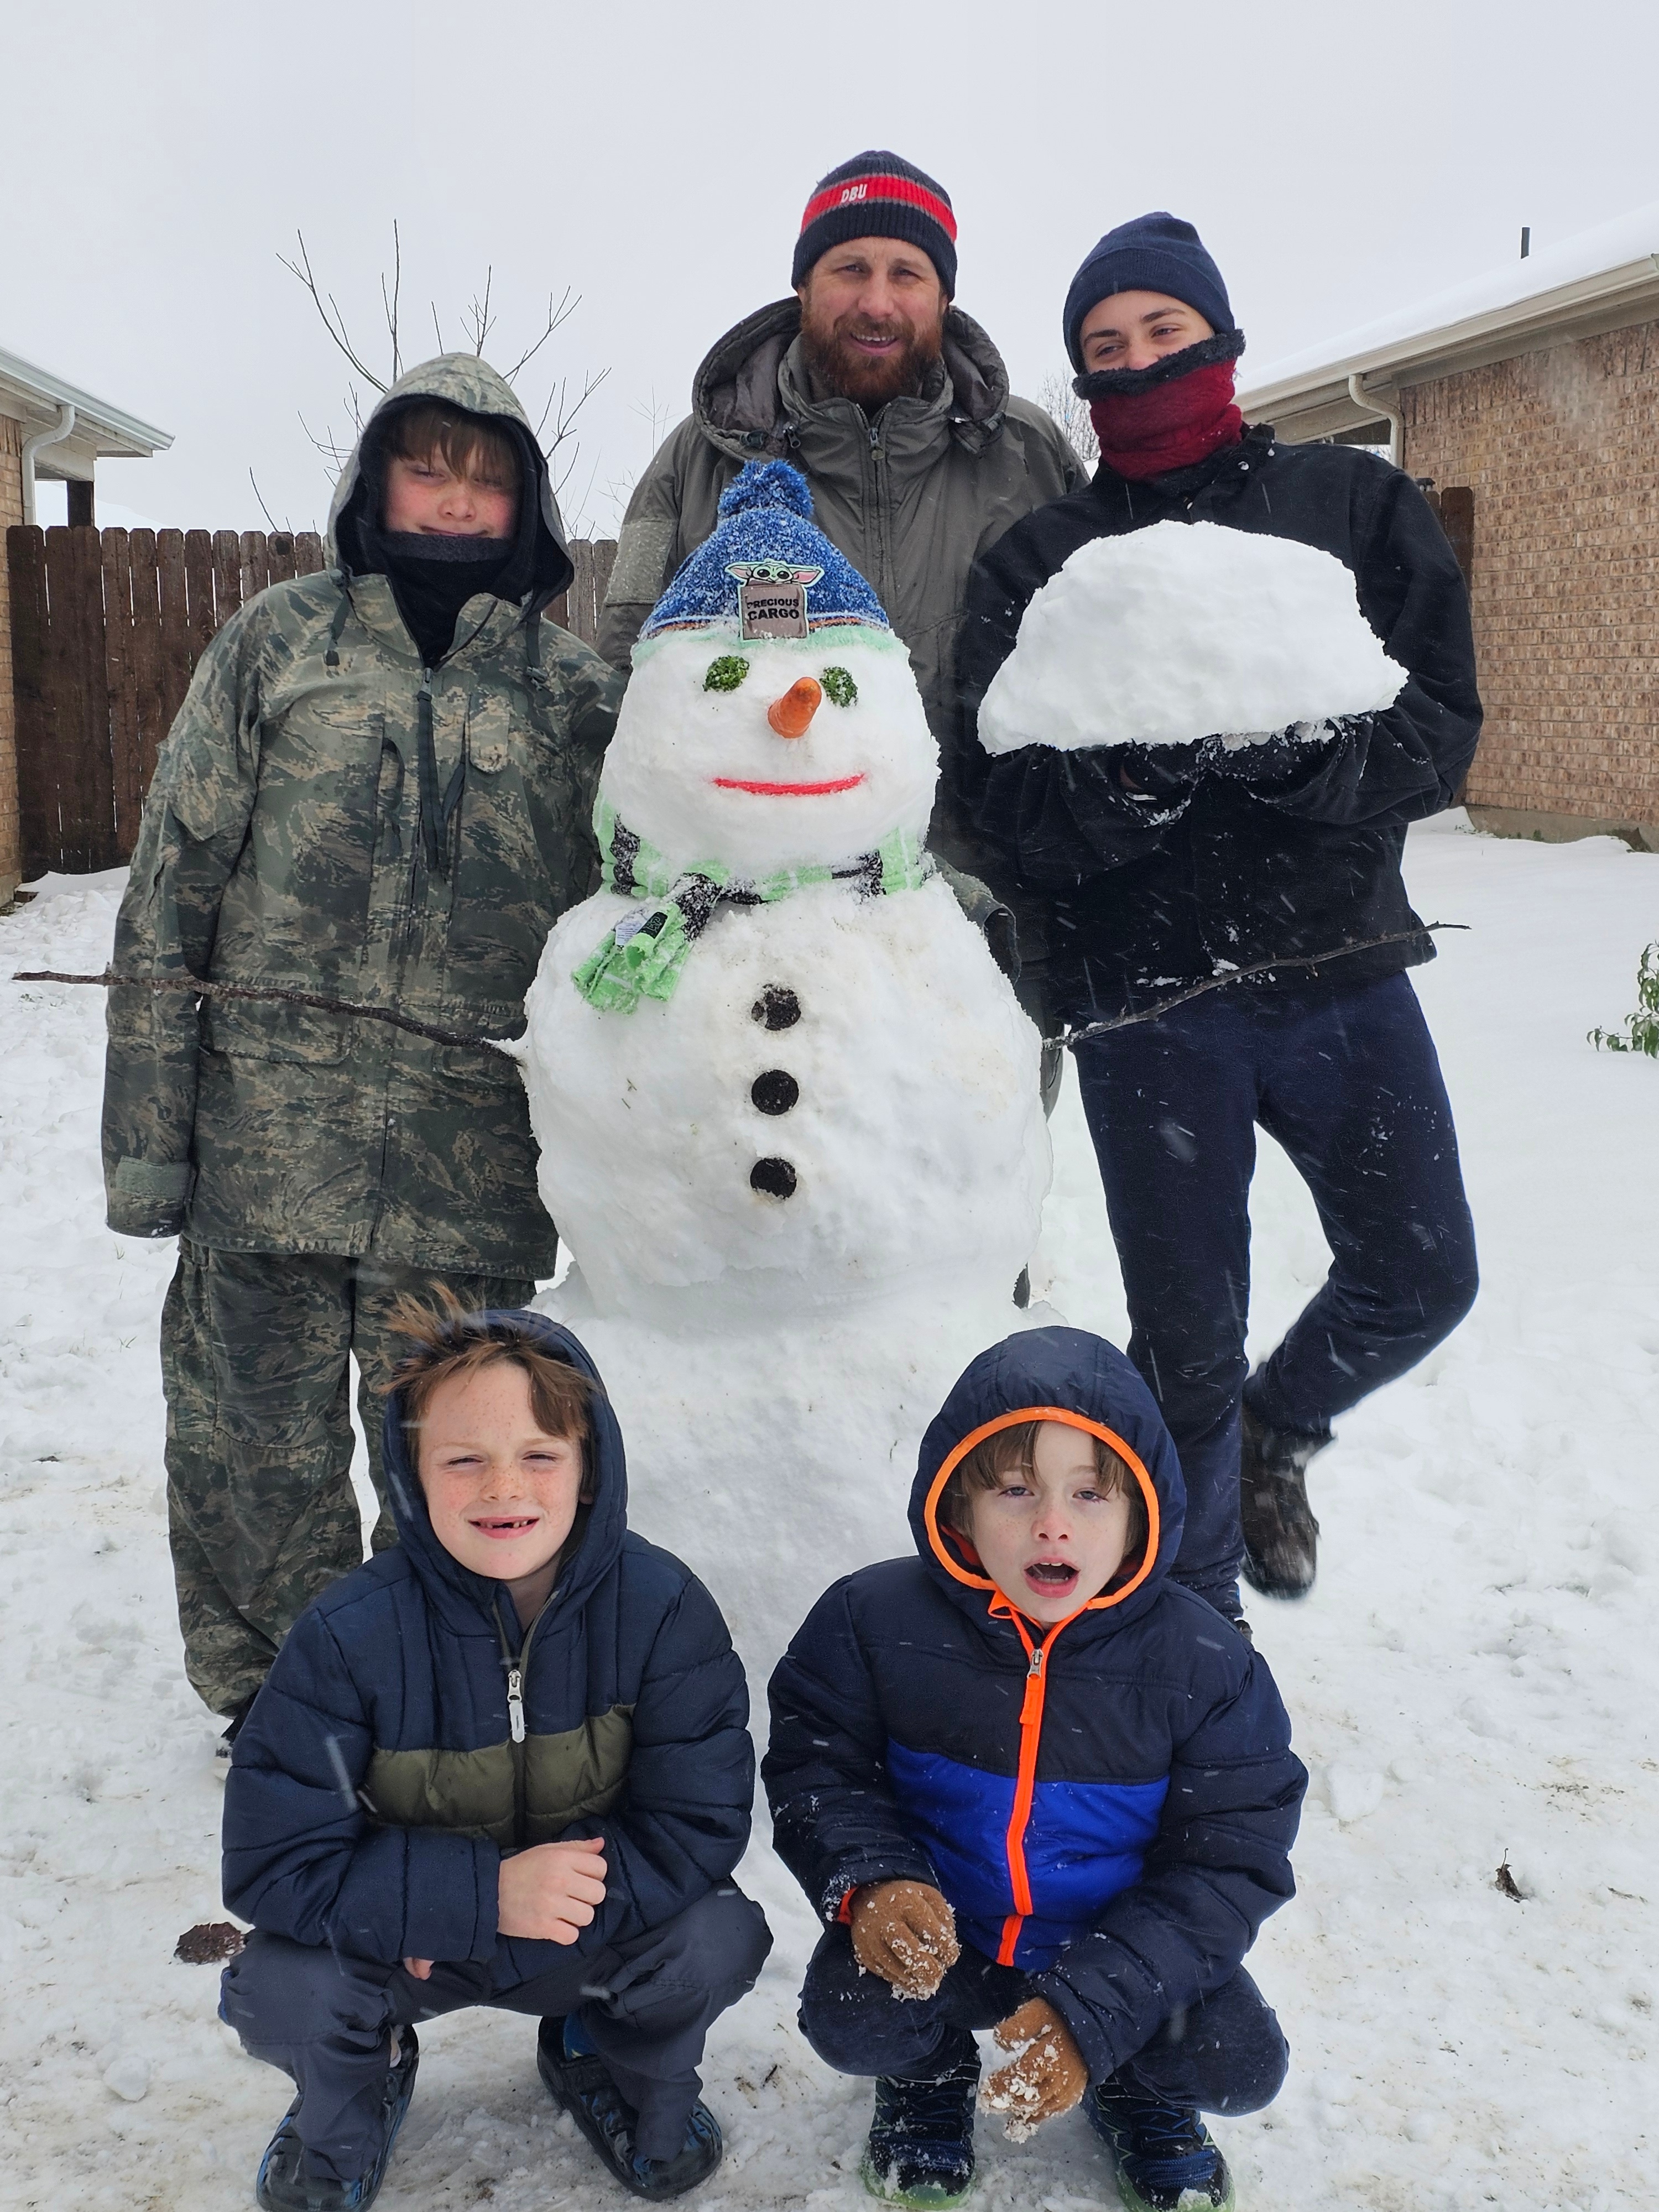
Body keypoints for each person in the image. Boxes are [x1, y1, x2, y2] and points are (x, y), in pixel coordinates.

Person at [952, 214, 1482, 1616]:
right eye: (1104, 351)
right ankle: (1195, 1640)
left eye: (1163, 335)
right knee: (1183, 1348)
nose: (1136, 366)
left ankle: (1279, 1427)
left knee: (1422, 1273)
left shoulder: (1350, 510)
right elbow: (1002, 805)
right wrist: (1126, 784)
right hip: (1148, 1003)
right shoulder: (1042, 563)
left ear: (1221, 337)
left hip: (1338, 967)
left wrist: (1312, 759)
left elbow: (1441, 732)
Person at [101, 358, 625, 1731]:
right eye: (428, 462)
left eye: (487, 470)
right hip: (264, 1145)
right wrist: (150, 1149)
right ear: (375, 477)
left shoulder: (574, 695)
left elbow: (655, 906)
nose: (456, 494)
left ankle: (441, 1698)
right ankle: (281, 1702)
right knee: (247, 1448)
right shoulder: (279, 644)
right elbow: (173, 887)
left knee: (464, 1459)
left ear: (526, 498)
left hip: (469, 1165)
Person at [218, 1298, 769, 2209]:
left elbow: (696, 1825)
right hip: (408, 1949)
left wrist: (535, 1913)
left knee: (712, 1940)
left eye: (539, 1457)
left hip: (575, 1935)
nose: (503, 1489)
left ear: (588, 1471)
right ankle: (363, 2080)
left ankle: (600, 2048)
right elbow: (275, 1860)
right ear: (413, 1476)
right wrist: (470, 1903)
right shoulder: (347, 1635)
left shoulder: (663, 1609)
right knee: (286, 1987)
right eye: (464, 1460)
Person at [764, 1327, 1304, 2212]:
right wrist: (874, 1881)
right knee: (850, 2014)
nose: (1052, 1522)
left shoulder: (1205, 1665)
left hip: (1111, 1942)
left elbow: (1227, 1863)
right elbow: (818, 1765)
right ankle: (929, 2076)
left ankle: (1134, 2082)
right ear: (959, 1506)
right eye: (1016, 1489)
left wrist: (1102, 2011)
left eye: (1092, 1493)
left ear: (1140, 1518)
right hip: (955, 1938)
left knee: (1240, 2063)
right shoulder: (874, 1620)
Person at [598, 149, 1085, 877]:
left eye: (907, 274)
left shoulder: (1030, 454)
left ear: (944, 296)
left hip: (996, 929)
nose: (878, 303)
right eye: (850, 269)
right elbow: (620, 689)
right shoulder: (697, 461)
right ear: (804, 285)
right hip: (771, 930)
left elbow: (1090, 679)